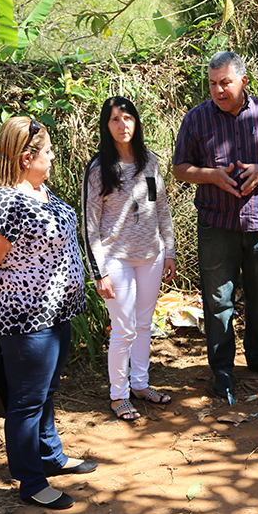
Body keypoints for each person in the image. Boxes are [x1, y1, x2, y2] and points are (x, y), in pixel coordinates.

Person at [0, 117, 96, 510]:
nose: (53, 157)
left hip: (56, 315)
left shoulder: (38, 191)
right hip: (25, 321)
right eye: (48, 152)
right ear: (26, 158)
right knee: (26, 401)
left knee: (46, 392)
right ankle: (31, 481)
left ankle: (50, 456)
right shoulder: (5, 199)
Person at [172, 51, 258, 401]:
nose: (218, 90)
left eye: (225, 82)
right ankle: (222, 369)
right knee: (217, 301)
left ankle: (257, 356)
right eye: (212, 83)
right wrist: (210, 175)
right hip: (216, 223)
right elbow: (180, 168)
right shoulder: (196, 119)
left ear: (243, 80)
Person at [82, 97, 177, 421]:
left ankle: (140, 384)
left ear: (136, 122)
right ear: (106, 127)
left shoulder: (149, 161)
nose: (122, 125)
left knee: (143, 324)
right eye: (114, 120)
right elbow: (90, 225)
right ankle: (119, 395)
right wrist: (99, 271)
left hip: (151, 256)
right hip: (117, 261)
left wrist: (169, 251)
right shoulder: (99, 169)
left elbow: (161, 208)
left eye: (127, 118)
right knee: (123, 329)